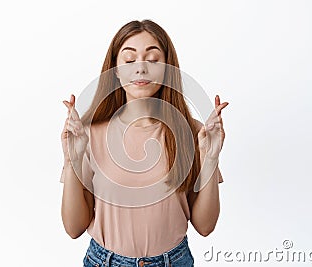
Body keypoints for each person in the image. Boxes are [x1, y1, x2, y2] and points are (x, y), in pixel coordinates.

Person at [59, 19, 229, 267]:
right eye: (129, 60)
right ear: (115, 70)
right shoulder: (88, 134)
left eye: (152, 59)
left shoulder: (194, 133)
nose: (141, 68)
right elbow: (73, 228)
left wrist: (211, 158)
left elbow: (205, 226)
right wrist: (71, 160)